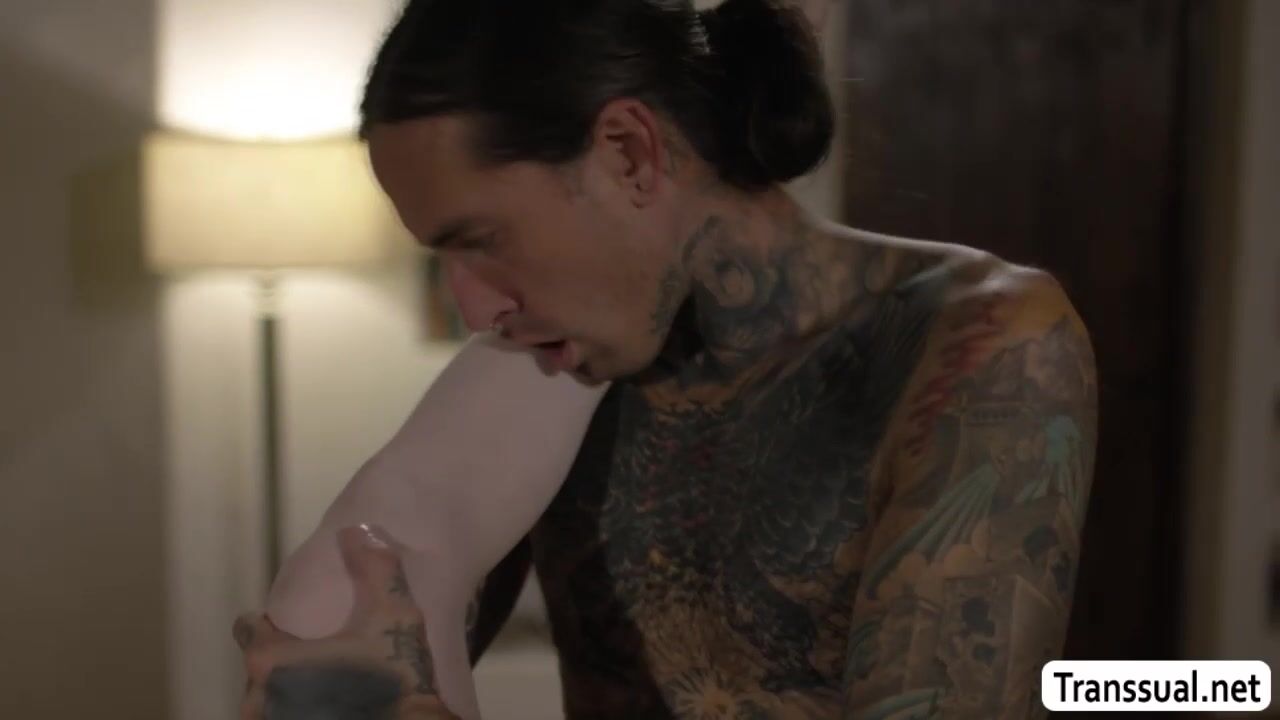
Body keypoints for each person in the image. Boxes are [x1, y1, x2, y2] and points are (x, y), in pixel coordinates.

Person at [236, 0, 1099, 718]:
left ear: (628, 153)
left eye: (484, 241)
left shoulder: (976, 343)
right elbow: (357, 627)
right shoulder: (558, 363)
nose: (473, 307)